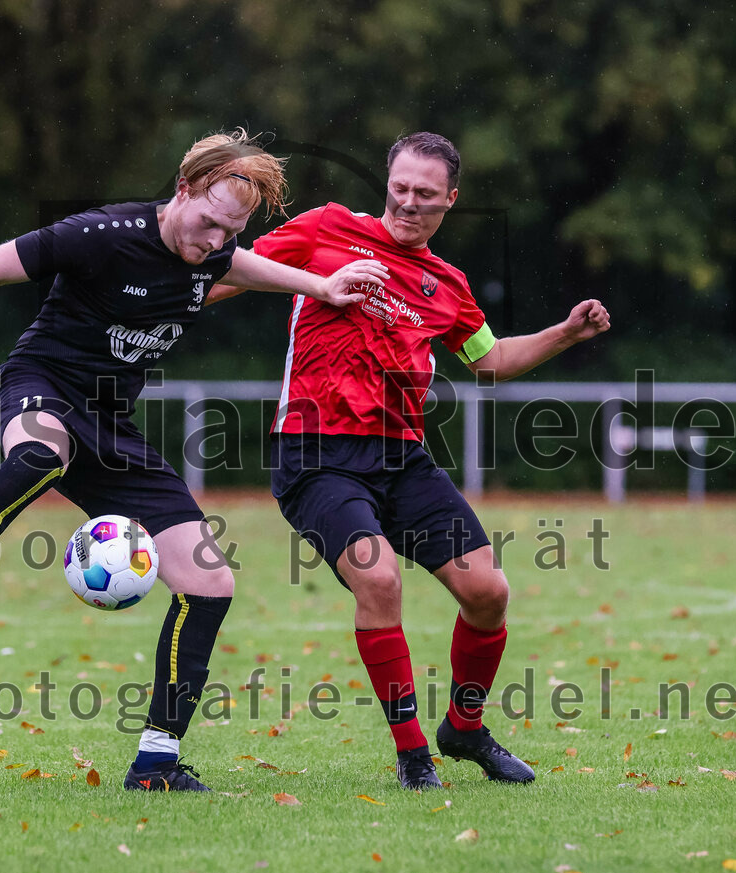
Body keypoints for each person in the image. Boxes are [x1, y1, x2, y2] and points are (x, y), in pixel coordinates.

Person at [0, 129, 388, 792]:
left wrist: (322, 286)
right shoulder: (103, 235)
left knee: (210, 583)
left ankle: (156, 760)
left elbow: (247, 267)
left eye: (229, 230)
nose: (213, 241)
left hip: (110, 425)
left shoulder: (214, 250)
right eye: (207, 222)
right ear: (183, 188)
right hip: (40, 386)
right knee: (40, 453)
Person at [209, 132, 610, 790]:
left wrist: (566, 330)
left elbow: (491, 361)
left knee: (489, 591)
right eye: (399, 187)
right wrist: (177, 293)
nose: (408, 202)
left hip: (403, 458)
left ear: (450, 200)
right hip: (316, 454)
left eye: (425, 194)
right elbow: (233, 273)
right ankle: (413, 754)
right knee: (379, 579)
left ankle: (465, 728)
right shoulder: (328, 228)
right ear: (387, 181)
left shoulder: (447, 285)